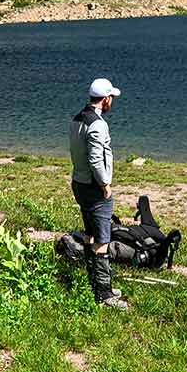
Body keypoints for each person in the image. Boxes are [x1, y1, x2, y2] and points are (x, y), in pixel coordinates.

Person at [69, 77, 127, 308]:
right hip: (94, 187)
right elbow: (95, 157)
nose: (111, 100)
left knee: (91, 235)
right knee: (103, 239)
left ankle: (97, 285)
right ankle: (104, 295)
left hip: (79, 182)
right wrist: (105, 184)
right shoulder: (98, 124)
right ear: (105, 99)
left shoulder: (78, 118)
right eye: (111, 97)